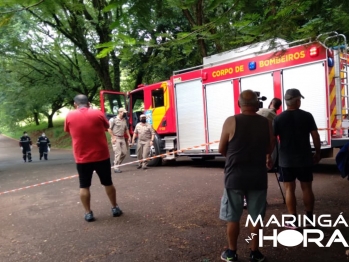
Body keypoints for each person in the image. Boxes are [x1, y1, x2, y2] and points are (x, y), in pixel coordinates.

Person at [218, 90, 274, 262]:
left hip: (235, 176)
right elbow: (270, 148)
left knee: (233, 216)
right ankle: (254, 252)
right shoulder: (266, 123)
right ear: (258, 105)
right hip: (257, 176)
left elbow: (221, 148)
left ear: (239, 103)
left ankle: (232, 253)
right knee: (256, 216)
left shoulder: (231, 121)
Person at [64, 94, 123, 222]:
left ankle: (88, 213)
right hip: (101, 155)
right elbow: (106, 127)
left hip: (82, 157)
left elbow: (69, 130)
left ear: (75, 104)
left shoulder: (70, 115)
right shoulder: (98, 113)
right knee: (108, 182)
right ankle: (114, 208)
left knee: (84, 186)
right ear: (89, 103)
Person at [273, 88, 321, 229]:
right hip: (304, 158)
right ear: (298, 101)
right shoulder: (307, 116)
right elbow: (315, 135)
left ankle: (293, 220)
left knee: (289, 189)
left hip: (286, 160)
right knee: (307, 188)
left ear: (287, 102)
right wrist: (318, 152)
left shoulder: (278, 118)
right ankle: (309, 219)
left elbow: (271, 139)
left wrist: (268, 156)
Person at [108, 107, 131, 173]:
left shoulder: (124, 120)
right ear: (120, 112)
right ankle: (116, 167)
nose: (125, 114)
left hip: (122, 138)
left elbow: (126, 129)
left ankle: (116, 162)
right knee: (118, 153)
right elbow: (109, 129)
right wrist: (113, 137)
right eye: (124, 113)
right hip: (116, 138)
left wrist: (129, 136)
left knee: (124, 153)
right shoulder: (113, 119)